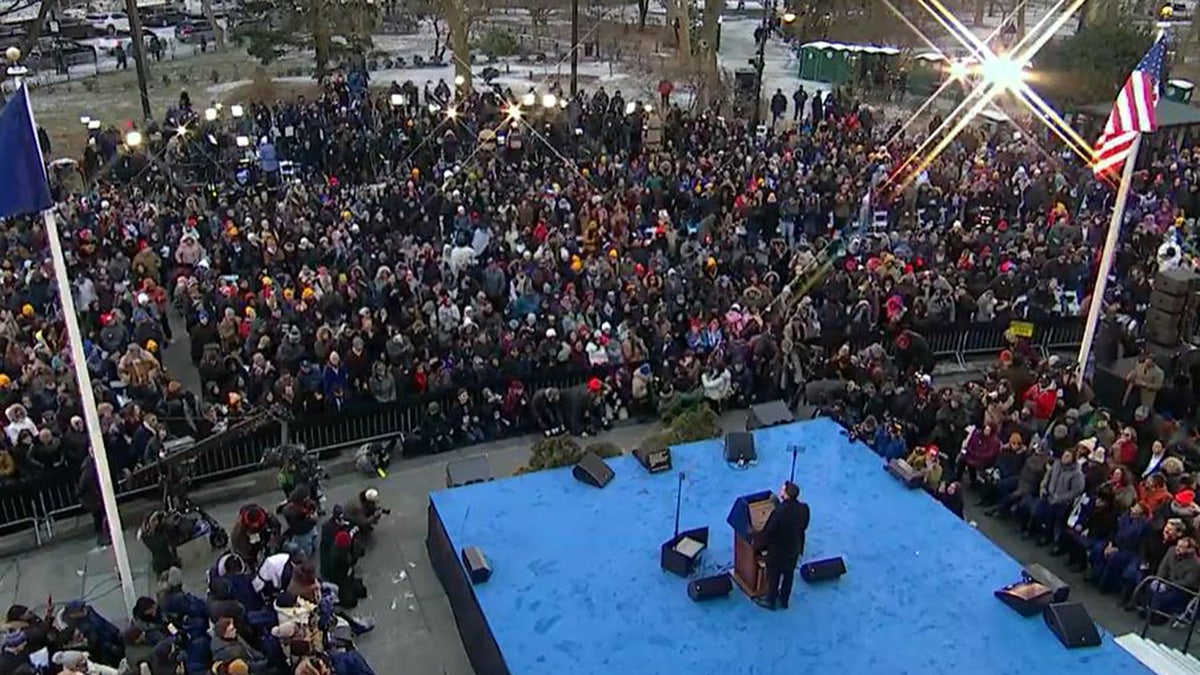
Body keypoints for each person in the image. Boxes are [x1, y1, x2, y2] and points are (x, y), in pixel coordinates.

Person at [753, 481, 810, 610]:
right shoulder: (804, 508)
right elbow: (804, 526)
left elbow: (768, 532)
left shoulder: (778, 513)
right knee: (789, 575)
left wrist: (754, 535)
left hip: (778, 552)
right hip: (794, 549)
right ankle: (784, 601)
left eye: (782, 490)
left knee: (774, 576)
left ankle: (771, 601)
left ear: (786, 495)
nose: (780, 491)